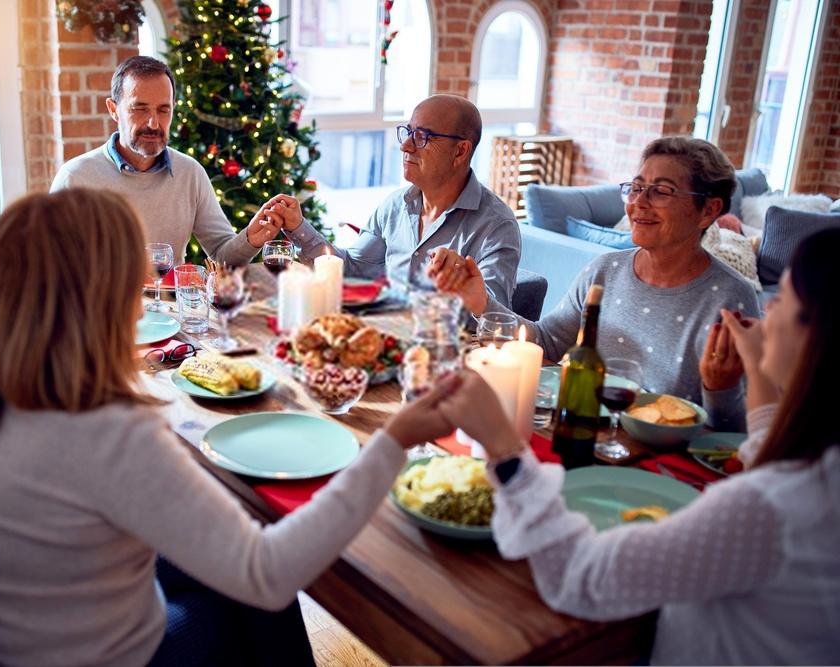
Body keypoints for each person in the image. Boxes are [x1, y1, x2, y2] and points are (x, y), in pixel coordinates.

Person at [0, 188, 473, 667]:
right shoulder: (102, 430)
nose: (136, 314)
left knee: (218, 563)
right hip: (88, 655)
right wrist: (394, 441)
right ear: (93, 304)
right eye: (127, 293)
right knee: (260, 598)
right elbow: (269, 572)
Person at [443, 227, 840, 665]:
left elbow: (580, 577)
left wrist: (504, 448)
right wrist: (760, 372)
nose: (767, 311)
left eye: (781, 298)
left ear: (816, 338)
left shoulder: (766, 509)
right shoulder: (819, 471)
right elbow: (764, 442)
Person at [446, 137, 759, 429]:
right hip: (584, 435)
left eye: (661, 191)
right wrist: (482, 302)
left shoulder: (730, 298)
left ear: (709, 210)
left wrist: (720, 389)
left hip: (662, 463)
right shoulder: (605, 270)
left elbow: (736, 432)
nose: (639, 202)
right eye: (636, 187)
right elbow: (547, 343)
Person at [264, 94, 521, 315]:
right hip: (383, 341)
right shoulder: (395, 206)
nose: (405, 145)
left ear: (460, 151)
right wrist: (298, 227)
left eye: (422, 136)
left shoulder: (497, 225)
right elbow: (352, 269)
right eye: (408, 132)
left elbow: (494, 318)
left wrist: (461, 284)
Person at [49, 55, 283, 266]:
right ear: (113, 109)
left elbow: (222, 256)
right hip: (103, 312)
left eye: (163, 110)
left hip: (172, 311)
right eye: (139, 109)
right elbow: (52, 269)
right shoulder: (75, 178)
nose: (153, 123)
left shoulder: (190, 173)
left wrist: (250, 239)